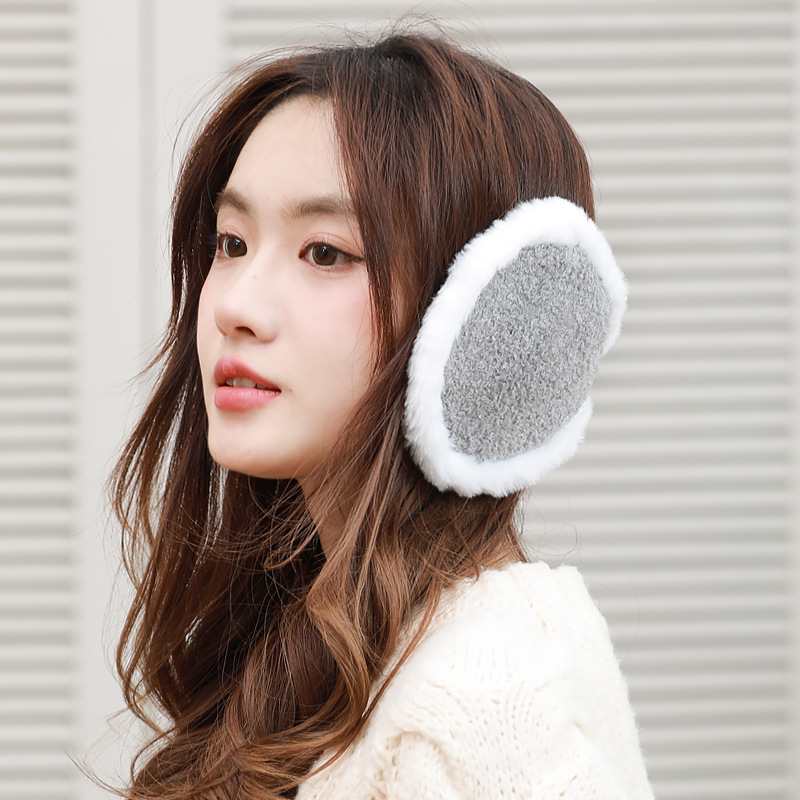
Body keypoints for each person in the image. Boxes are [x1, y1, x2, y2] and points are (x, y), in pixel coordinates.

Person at [110, 29, 654, 799]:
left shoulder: (482, 700)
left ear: (489, 322)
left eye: (325, 253)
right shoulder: (335, 636)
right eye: (231, 242)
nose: (235, 306)